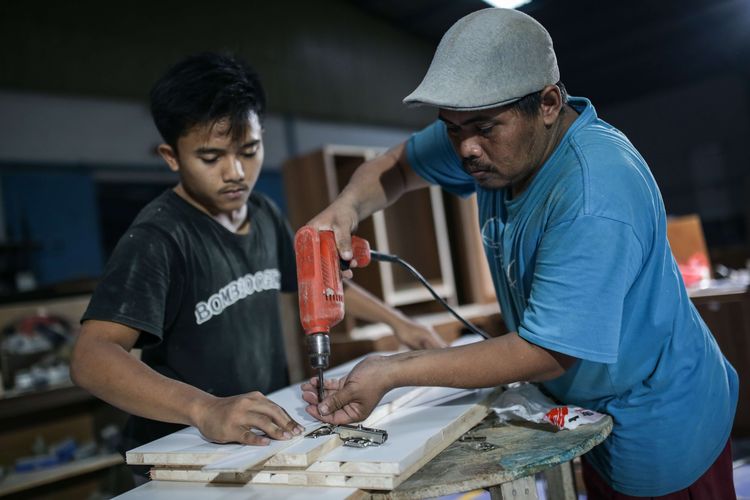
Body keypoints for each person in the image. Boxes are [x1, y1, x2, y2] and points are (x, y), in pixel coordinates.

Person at [301, 8, 738, 499]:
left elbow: (547, 351)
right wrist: (344, 208)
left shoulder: (594, 194)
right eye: (451, 128)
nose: (465, 149)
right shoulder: (490, 137)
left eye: (484, 128)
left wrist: (392, 370)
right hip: (588, 404)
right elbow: (398, 168)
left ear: (549, 103)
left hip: (662, 418)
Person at [70, 52, 444, 480]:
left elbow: (312, 281)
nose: (235, 173)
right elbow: (91, 356)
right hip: (180, 454)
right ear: (171, 157)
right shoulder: (158, 238)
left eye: (248, 151)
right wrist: (205, 408)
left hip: (252, 441)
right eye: (211, 158)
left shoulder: (263, 212)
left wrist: (399, 323)